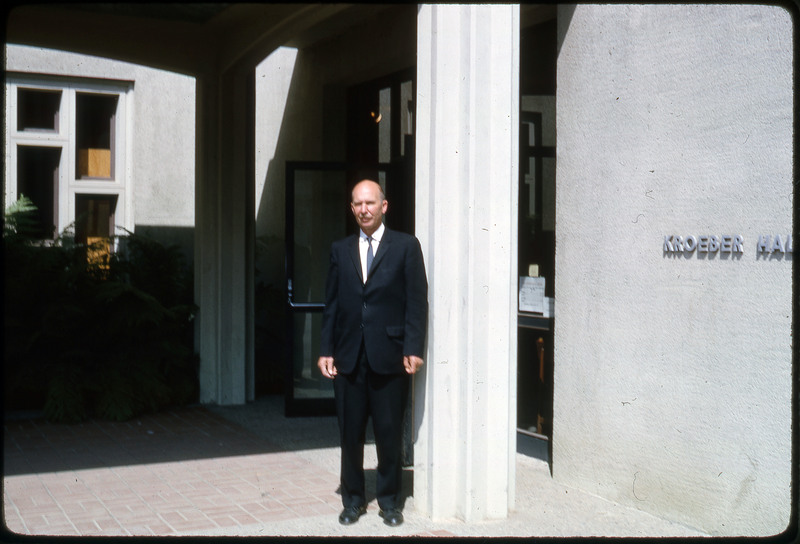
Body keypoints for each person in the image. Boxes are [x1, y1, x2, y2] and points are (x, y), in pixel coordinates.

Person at [317, 179, 428, 527]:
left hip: (390, 355)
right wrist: (326, 350)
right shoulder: (340, 249)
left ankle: (390, 503)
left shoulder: (406, 247)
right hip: (349, 357)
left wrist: (413, 347)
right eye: (357, 204)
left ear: (384, 206)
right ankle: (352, 501)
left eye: (370, 203)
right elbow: (331, 305)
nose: (364, 209)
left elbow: (416, 303)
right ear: (352, 209)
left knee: (388, 431)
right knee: (350, 433)